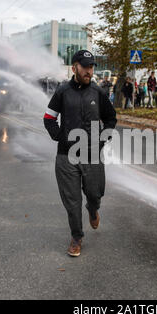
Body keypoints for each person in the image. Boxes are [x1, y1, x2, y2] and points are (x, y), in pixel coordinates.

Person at [43, 50, 117, 257]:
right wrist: (60, 137)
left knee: (94, 194)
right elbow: (49, 118)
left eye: (92, 67)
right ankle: (76, 237)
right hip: (67, 156)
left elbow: (111, 119)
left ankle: (93, 209)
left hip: (92, 155)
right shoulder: (63, 91)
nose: (89, 71)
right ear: (75, 67)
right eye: (85, 66)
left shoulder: (99, 93)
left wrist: (102, 139)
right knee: (72, 200)